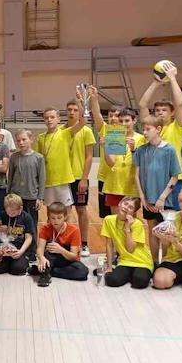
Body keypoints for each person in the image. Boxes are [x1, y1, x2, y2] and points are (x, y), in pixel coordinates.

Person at [133, 115, 181, 263]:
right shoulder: (141, 150)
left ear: (158, 129)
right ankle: (154, 262)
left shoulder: (169, 150)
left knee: (165, 232)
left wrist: (162, 198)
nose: (144, 132)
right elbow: (136, 176)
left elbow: (174, 176)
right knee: (152, 231)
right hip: (148, 200)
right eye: (143, 129)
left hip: (165, 200)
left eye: (148, 129)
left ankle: (166, 262)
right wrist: (143, 198)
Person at [139, 61, 182, 197]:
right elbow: (142, 105)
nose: (160, 112)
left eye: (164, 110)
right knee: (152, 211)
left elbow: (180, 104)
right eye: (157, 110)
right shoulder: (150, 127)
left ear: (172, 113)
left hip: (173, 179)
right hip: (152, 178)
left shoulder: (176, 127)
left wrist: (172, 79)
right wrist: (155, 83)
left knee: (173, 211)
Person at [34, 105, 85, 208]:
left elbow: (83, 122)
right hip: (48, 181)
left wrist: (81, 103)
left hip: (63, 180)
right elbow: (38, 160)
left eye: (52, 117)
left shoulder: (65, 133)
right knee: (51, 211)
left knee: (66, 210)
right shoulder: (40, 138)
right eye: (46, 118)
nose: (49, 120)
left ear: (58, 119)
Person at [100, 196, 154, 289]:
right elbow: (109, 245)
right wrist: (109, 267)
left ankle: (144, 272)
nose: (126, 208)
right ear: (119, 204)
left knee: (139, 282)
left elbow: (130, 249)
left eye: (130, 207)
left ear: (133, 212)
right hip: (125, 261)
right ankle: (127, 274)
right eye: (125, 204)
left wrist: (127, 229)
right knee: (112, 280)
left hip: (142, 261)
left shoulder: (137, 224)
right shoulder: (108, 220)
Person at [88, 86, 124, 225]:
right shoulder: (105, 129)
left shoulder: (127, 132)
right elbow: (96, 113)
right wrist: (94, 98)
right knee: (107, 216)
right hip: (105, 178)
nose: (113, 118)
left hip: (122, 180)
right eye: (110, 115)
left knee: (124, 214)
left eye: (117, 115)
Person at [65, 98, 96, 256]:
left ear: (80, 113)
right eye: (69, 109)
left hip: (79, 177)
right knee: (65, 211)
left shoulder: (86, 131)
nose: (72, 112)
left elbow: (89, 156)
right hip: (63, 178)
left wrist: (84, 178)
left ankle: (84, 244)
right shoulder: (61, 130)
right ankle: (67, 242)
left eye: (75, 110)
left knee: (81, 209)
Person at [32, 201, 89, 286]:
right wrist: (41, 257)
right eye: (53, 218)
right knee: (46, 256)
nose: (56, 221)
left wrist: (61, 250)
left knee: (83, 272)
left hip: (67, 259)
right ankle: (46, 272)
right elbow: (40, 249)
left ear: (65, 217)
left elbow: (74, 256)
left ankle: (49, 271)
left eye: (59, 218)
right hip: (52, 257)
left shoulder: (74, 230)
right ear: (49, 217)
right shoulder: (45, 228)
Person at [102, 108, 144, 213]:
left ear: (134, 121)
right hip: (114, 184)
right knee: (115, 218)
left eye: (127, 120)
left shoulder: (142, 139)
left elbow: (142, 164)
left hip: (132, 186)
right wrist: (105, 148)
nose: (124, 124)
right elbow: (111, 163)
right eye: (121, 121)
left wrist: (134, 150)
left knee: (130, 218)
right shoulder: (114, 136)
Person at [7, 129, 46, 227]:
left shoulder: (39, 158)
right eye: (18, 141)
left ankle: (32, 238)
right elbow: (10, 176)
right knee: (16, 223)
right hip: (16, 196)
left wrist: (40, 198)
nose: (21, 143)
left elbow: (42, 179)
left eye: (24, 139)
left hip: (31, 196)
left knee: (31, 223)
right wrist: (8, 194)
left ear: (31, 139)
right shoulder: (14, 157)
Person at [0, 194, 35, 276]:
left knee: (17, 269)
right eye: (8, 212)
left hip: (19, 248)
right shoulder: (3, 215)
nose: (10, 214)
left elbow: (29, 238)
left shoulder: (26, 217)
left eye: (13, 212)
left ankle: (22, 261)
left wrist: (21, 251)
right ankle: (8, 262)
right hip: (5, 248)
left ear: (20, 208)